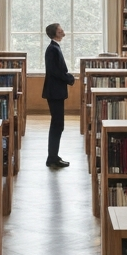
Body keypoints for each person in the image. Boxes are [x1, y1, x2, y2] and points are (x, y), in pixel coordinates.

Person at [42, 22, 74, 168]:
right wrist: (68, 78)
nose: (63, 31)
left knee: (57, 124)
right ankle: (52, 157)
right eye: (60, 29)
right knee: (57, 124)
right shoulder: (52, 49)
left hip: (56, 91)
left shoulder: (55, 47)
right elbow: (54, 71)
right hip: (54, 91)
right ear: (55, 32)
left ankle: (53, 156)